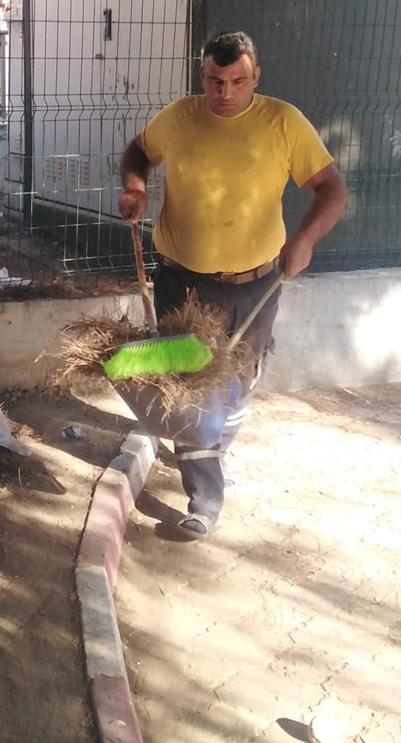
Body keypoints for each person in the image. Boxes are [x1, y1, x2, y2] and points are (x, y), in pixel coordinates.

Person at [118, 30, 348, 540]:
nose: (225, 93)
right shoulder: (180, 117)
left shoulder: (283, 122)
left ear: (256, 77)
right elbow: (138, 151)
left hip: (257, 286)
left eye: (238, 82)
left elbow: (332, 188)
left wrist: (305, 239)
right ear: (202, 76)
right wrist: (135, 186)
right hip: (183, 284)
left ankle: (217, 449)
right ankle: (205, 498)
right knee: (191, 390)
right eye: (214, 81)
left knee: (239, 383)